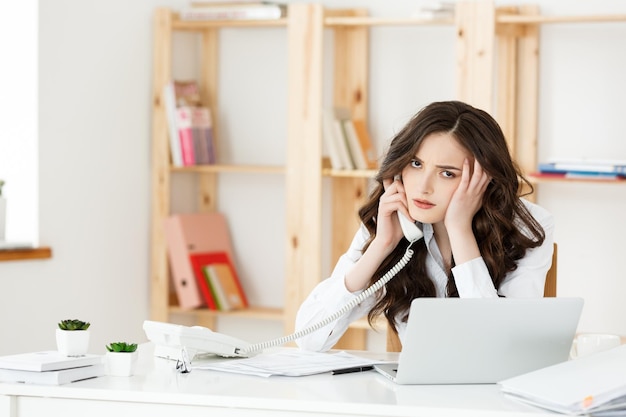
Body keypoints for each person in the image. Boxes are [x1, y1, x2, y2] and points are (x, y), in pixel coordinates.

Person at [295, 100, 554, 352]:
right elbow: (309, 339)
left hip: (492, 393)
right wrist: (381, 246)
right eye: (416, 164)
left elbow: (503, 348)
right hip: (413, 392)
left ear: (484, 180)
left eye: (447, 173)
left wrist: (460, 229)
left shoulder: (527, 226)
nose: (422, 187)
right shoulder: (389, 218)